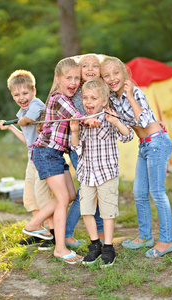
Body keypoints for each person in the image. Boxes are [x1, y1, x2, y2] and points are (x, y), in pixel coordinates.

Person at [22, 57, 100, 264]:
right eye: (68, 78)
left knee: (70, 195)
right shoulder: (58, 98)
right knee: (63, 198)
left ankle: (34, 224)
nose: (73, 82)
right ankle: (59, 247)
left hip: (56, 154)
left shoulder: (65, 96)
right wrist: (90, 119)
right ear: (58, 79)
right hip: (46, 152)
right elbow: (75, 114)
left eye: (76, 78)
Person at [101, 56, 172, 258]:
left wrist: (131, 96)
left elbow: (143, 121)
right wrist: (114, 120)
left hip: (157, 142)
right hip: (144, 145)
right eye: (106, 75)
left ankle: (167, 240)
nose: (112, 78)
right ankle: (145, 236)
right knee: (139, 192)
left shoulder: (135, 92)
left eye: (116, 73)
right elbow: (126, 136)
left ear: (124, 74)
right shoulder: (112, 101)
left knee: (157, 192)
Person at [70, 78, 134, 266]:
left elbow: (128, 136)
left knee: (107, 211)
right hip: (86, 174)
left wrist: (115, 122)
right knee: (87, 210)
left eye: (93, 98)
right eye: (85, 98)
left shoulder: (110, 118)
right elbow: (76, 149)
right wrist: (74, 131)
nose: (89, 102)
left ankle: (108, 247)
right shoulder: (80, 119)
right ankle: (94, 245)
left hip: (106, 174)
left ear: (104, 101)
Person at [0, 70, 54, 248]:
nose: (21, 97)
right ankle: (40, 231)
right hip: (32, 158)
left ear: (34, 91)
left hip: (43, 157)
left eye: (25, 93)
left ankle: (54, 234)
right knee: (30, 197)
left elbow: (28, 119)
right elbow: (26, 139)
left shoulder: (36, 105)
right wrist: (10, 126)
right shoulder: (21, 111)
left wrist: (19, 121)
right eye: (16, 94)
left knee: (42, 197)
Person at [65, 53, 105, 247]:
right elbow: (80, 115)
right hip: (80, 148)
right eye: (85, 66)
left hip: (97, 150)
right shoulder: (78, 93)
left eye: (95, 66)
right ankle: (65, 233)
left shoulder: (102, 90)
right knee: (86, 191)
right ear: (79, 71)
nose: (90, 69)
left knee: (95, 189)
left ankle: (99, 230)